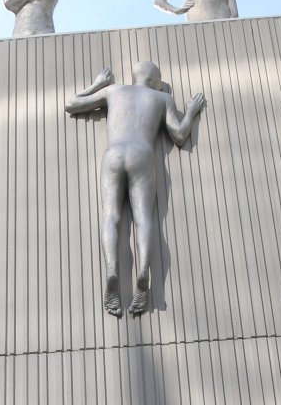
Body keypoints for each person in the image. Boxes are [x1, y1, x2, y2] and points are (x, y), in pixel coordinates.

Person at [65, 63, 206, 316]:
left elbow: (72, 104)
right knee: (143, 219)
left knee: (111, 215)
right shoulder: (162, 98)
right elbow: (179, 135)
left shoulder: (113, 91)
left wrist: (97, 84)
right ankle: (143, 273)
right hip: (142, 154)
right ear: (155, 81)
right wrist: (191, 112)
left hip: (114, 153)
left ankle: (112, 271)